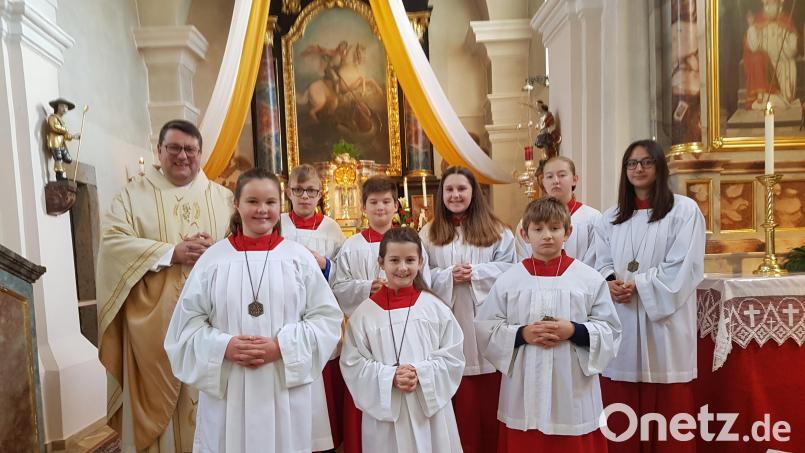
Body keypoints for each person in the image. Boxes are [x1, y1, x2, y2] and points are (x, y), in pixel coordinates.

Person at [164, 168, 343, 452]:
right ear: (237, 204)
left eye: (270, 202)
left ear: (279, 205)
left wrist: (282, 346)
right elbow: (184, 329)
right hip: (230, 390)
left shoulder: (298, 258)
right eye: (252, 201)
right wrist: (224, 346)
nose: (262, 210)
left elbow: (327, 321)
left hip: (284, 388)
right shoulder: (214, 260)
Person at [96, 119, 233, 453]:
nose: (182, 156)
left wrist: (217, 249)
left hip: (212, 324)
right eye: (174, 148)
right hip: (155, 328)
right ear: (159, 151)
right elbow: (113, 244)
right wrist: (172, 252)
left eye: (190, 149)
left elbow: (243, 247)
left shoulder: (224, 198)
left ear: (200, 153)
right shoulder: (132, 196)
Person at [476, 197, 621, 452]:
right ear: (524, 233)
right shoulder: (509, 280)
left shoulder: (588, 278)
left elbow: (610, 330)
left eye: (555, 228)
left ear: (568, 232)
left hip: (572, 389)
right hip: (523, 390)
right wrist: (522, 334)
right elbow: (487, 328)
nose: (547, 236)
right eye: (538, 229)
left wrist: (574, 331)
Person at [594, 139, 705, 452]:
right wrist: (609, 281)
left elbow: (684, 266)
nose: (638, 169)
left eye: (646, 162)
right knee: (621, 406)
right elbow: (599, 260)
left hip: (663, 325)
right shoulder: (611, 217)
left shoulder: (684, 211)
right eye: (631, 163)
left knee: (668, 409)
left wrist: (639, 285)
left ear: (660, 167)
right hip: (623, 317)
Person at [419, 166, 516, 453]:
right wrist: (448, 276)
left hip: (487, 324)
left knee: (490, 405)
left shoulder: (498, 231)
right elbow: (422, 274)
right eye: (449, 189)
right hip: (449, 322)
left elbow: (511, 270)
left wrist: (475, 273)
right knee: (460, 411)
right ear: (441, 195)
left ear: (474, 192)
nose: (455, 195)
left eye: (461, 188)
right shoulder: (428, 233)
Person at [340, 228, 465, 452]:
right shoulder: (364, 314)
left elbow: (453, 356)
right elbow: (353, 363)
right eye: (394, 260)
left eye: (410, 260)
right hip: (386, 415)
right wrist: (390, 377)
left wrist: (421, 373)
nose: (402, 268)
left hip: (430, 412)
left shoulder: (435, 308)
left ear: (421, 262)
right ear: (381, 262)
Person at [332, 176, 432, 453]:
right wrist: (367, 288)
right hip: (369, 336)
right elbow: (337, 288)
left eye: (386, 201)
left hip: (410, 334)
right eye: (373, 202)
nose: (380, 208)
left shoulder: (411, 241)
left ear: (396, 206)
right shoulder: (352, 246)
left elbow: (427, 283)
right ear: (363, 207)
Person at [281, 163, 346, 450]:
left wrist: (325, 264)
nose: (304, 197)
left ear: (320, 194)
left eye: (311, 191)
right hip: (285, 313)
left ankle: (324, 442)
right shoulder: (278, 223)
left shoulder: (331, 228)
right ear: (288, 191)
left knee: (324, 384)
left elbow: (343, 275)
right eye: (299, 190)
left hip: (318, 313)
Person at [515, 156, 602, 266]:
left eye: (562, 175)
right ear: (543, 181)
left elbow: (595, 261)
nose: (556, 181)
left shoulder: (592, 218)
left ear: (574, 180)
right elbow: (523, 262)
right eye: (549, 176)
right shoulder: (527, 221)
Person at [743, 0, 798, 109]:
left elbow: (793, 48)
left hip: (783, 60)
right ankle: (769, 99)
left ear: (779, 5)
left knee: (790, 65)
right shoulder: (758, 21)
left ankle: (783, 99)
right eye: (765, 4)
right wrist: (751, 26)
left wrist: (784, 50)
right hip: (766, 62)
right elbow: (754, 46)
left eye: (771, 4)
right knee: (759, 60)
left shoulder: (786, 21)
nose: (767, 7)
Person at [46, 98, 81, 181]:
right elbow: (54, 127)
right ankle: (59, 175)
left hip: (61, 143)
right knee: (58, 158)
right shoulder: (52, 117)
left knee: (68, 159)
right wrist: (65, 130)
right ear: (57, 107)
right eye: (62, 106)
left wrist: (74, 137)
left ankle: (61, 172)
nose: (65, 109)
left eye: (66, 107)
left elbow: (65, 135)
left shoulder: (61, 121)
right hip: (54, 143)